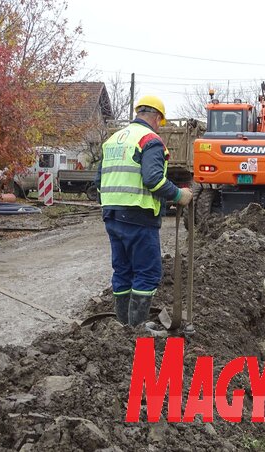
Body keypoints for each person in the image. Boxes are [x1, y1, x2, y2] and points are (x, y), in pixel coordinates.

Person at [95, 95, 193, 327]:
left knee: (123, 270)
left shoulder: (113, 139)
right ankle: (137, 329)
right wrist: (179, 196)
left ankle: (123, 326)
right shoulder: (150, 140)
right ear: (157, 117)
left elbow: (99, 180)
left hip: (112, 214)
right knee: (147, 272)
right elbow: (153, 179)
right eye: (161, 121)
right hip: (138, 216)